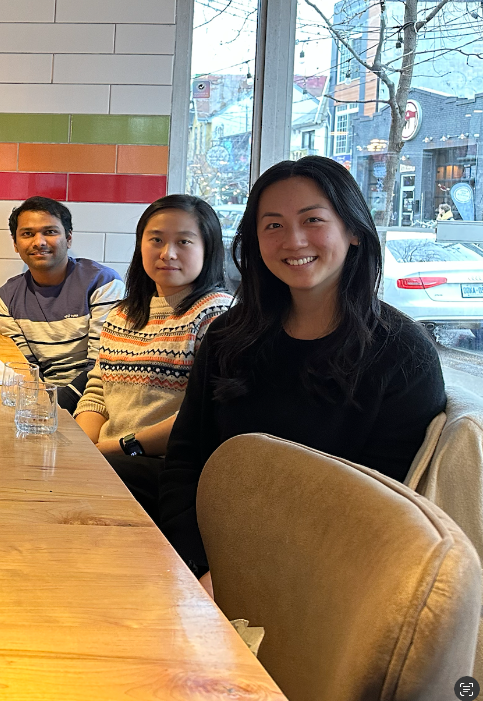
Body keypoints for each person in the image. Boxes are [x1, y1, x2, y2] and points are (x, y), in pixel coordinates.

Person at [158, 156, 446, 595]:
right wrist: (200, 566)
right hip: (205, 569)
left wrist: (253, 578)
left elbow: (378, 510)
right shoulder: (228, 336)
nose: (293, 240)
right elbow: (184, 461)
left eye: (312, 220)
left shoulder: (401, 354)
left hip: (322, 590)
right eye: (272, 225)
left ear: (353, 231)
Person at [73, 195, 232, 520]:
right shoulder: (122, 314)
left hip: (172, 470)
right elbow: (97, 392)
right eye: (156, 239)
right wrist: (79, 447)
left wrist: (110, 450)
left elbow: (202, 417)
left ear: (209, 248)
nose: (167, 253)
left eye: (184, 241)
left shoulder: (218, 314)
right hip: (112, 458)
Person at [0, 196, 125, 410]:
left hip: (97, 401)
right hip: (40, 401)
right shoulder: (6, 299)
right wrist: (39, 406)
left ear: (69, 238)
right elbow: (27, 368)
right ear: (15, 244)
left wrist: (54, 408)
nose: (39, 242)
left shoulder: (103, 283)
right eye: (27, 234)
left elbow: (102, 365)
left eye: (50, 232)